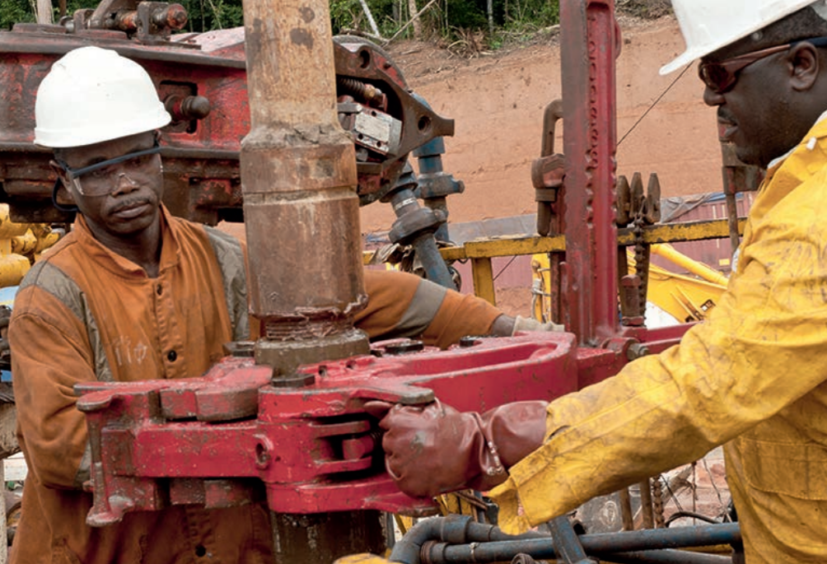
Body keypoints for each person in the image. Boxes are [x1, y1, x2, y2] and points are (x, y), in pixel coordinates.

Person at [7, 46, 555, 564]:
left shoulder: (222, 260)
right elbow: (62, 447)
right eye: (97, 168)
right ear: (64, 179)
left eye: (135, 158)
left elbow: (366, 295)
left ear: (160, 152)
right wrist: (253, 443)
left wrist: (510, 327)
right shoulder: (49, 298)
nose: (123, 182)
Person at [373, 1, 827, 562]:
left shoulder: (815, 220)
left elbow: (707, 384)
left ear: (802, 64)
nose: (710, 97)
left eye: (719, 74)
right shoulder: (801, 184)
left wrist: (487, 444)